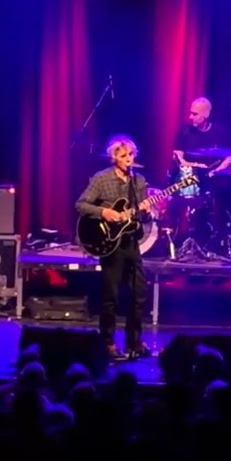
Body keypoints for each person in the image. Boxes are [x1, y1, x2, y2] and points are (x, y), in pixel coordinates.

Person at [75, 135, 156, 360]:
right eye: (123, 156)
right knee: (111, 296)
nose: (128, 159)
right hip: (109, 244)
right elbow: (80, 204)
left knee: (139, 293)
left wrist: (147, 211)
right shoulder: (101, 179)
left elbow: (141, 217)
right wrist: (104, 212)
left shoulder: (138, 181)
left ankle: (134, 342)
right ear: (114, 158)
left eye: (131, 155)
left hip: (131, 242)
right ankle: (108, 342)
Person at [172, 96, 231, 176]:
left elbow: (229, 156)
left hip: (212, 177)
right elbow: (179, 160)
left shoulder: (219, 132)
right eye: (191, 113)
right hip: (188, 176)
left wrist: (216, 171)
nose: (190, 117)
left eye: (195, 114)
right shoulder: (185, 131)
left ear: (206, 115)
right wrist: (197, 166)